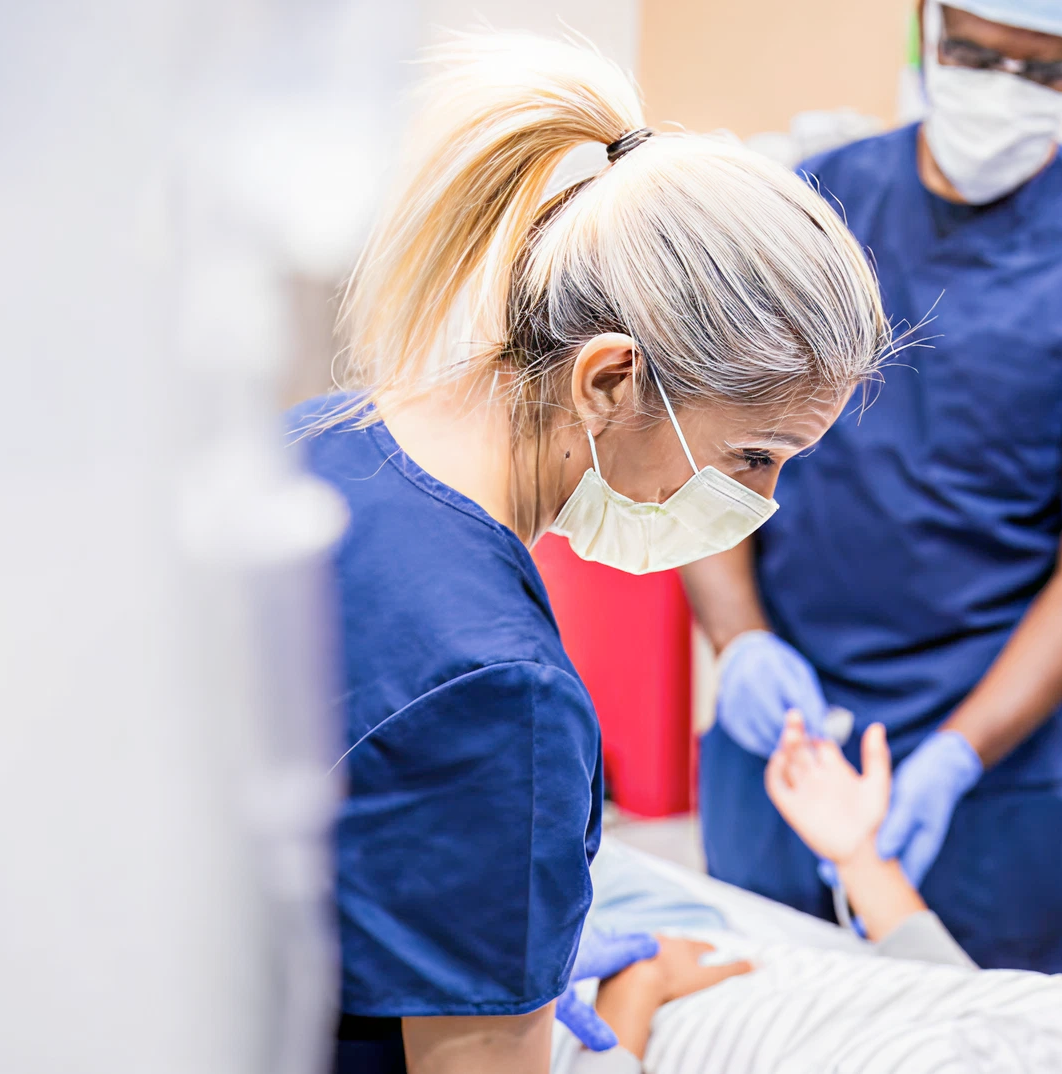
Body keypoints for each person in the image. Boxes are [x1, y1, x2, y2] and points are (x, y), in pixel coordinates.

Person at [292, 31, 889, 1074]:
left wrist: (493, 945)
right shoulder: (497, 691)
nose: (764, 502)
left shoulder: (321, 443)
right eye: (755, 455)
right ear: (611, 381)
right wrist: (638, 1000)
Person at [683, 0, 1062, 973]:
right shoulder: (814, 208)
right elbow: (710, 450)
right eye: (974, 54)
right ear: (926, 29)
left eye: (1041, 72)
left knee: (981, 1027)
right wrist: (739, 639)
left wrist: (962, 752)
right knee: (760, 1013)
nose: (1002, 90)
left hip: (990, 764)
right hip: (786, 731)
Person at [556, 718, 1062, 1074]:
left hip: (610, 1011)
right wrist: (862, 858)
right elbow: (974, 1005)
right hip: (710, 949)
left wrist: (640, 984)